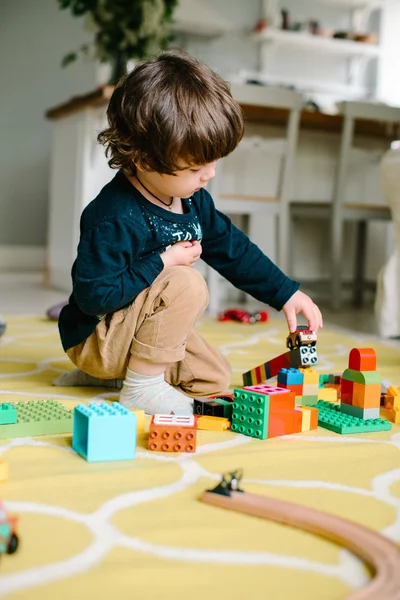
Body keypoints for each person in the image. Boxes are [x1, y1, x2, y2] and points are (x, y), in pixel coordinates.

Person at [58, 49, 323, 416]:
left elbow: (231, 248)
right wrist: (164, 261)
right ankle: (139, 387)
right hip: (95, 337)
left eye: (213, 161)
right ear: (144, 159)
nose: (209, 174)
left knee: (214, 378)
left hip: (134, 331)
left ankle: (123, 376)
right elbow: (93, 297)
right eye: (197, 166)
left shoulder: (193, 199)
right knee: (187, 281)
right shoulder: (115, 216)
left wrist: (286, 293)